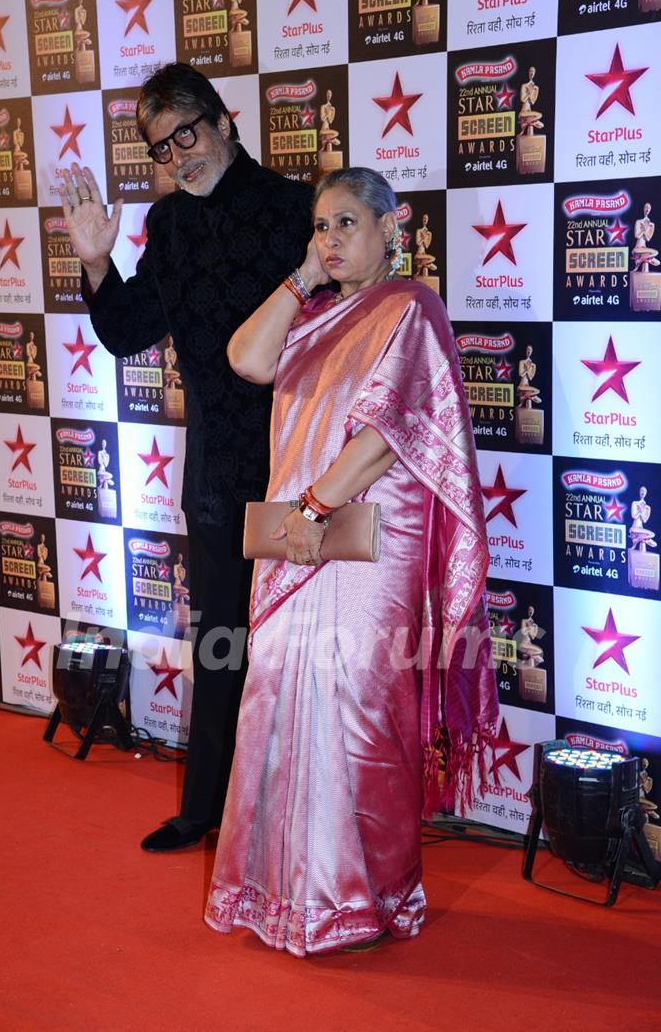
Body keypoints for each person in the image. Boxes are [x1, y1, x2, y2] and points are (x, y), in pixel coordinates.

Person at [204, 167, 497, 956]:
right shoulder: (314, 315)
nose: (331, 240)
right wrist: (302, 276)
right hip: (298, 543)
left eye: (346, 224)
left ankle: (362, 899)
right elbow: (245, 357)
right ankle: (284, 895)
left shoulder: (410, 309)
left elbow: (385, 434)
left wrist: (313, 508)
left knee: (361, 717)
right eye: (321, 226)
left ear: (389, 226)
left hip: (366, 543)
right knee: (277, 707)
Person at [58, 62, 313, 852]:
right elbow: (127, 330)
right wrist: (98, 262)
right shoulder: (166, 227)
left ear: (224, 121)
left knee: (300, 649)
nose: (178, 158)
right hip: (215, 481)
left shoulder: (297, 210)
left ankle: (302, 817)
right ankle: (206, 809)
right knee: (221, 647)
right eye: (161, 150)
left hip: (298, 471)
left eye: (187, 136)